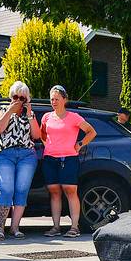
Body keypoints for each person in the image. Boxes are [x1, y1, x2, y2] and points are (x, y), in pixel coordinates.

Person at [39, 84, 96, 237]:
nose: (54, 102)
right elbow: (42, 134)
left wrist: (80, 144)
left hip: (69, 158)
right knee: (54, 191)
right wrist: (49, 145)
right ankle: (56, 227)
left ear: (65, 99)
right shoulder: (46, 117)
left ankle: (74, 227)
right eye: (52, 99)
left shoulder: (74, 117)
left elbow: (91, 132)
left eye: (57, 99)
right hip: (50, 158)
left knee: (70, 190)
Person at [0, 80, 42, 240]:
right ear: (11, 96)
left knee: (21, 190)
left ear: (27, 99)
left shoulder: (29, 114)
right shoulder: (2, 109)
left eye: (22, 98)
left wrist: (30, 113)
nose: (18, 100)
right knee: (6, 190)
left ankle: (15, 227)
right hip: (4, 154)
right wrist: (10, 111)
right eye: (15, 97)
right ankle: (0, 228)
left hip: (26, 155)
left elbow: (36, 135)